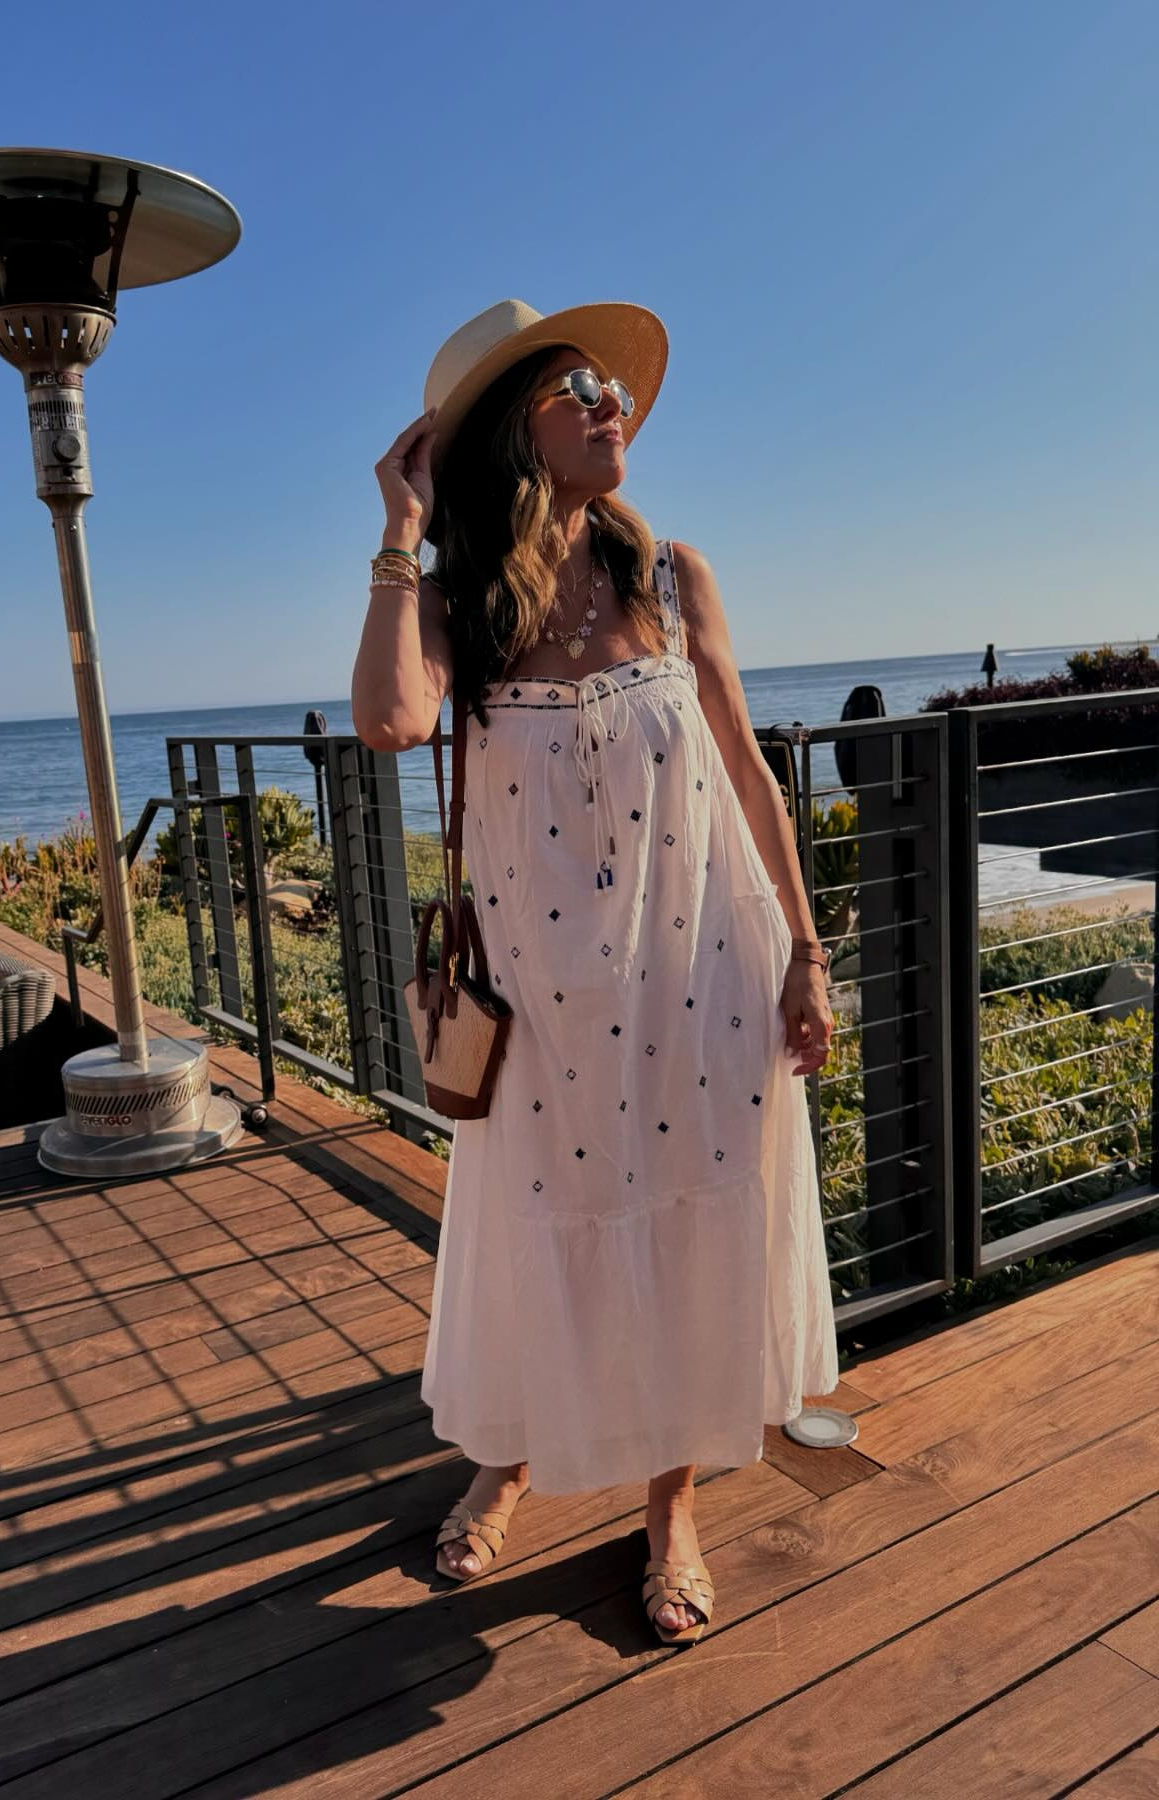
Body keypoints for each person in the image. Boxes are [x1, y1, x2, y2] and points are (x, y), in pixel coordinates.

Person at [350, 299, 839, 1648]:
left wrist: (806, 953)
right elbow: (391, 721)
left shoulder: (673, 578)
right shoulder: (459, 606)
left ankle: (669, 1504)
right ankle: (510, 1450)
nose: (611, 399)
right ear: (517, 431)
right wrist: (400, 539)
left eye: (614, 383)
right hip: (544, 1009)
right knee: (540, 1236)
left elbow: (748, 775)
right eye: (579, 386)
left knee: (684, 1234)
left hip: (705, 982)